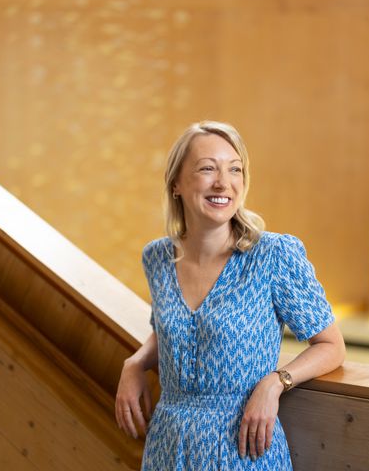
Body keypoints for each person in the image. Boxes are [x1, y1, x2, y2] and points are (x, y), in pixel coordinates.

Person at [115, 120, 346, 470]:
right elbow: (173, 330)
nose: (223, 182)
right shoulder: (157, 258)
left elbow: (331, 345)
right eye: (207, 168)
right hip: (168, 446)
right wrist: (136, 362)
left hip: (242, 449)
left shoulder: (273, 255)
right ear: (176, 183)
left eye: (234, 169)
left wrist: (275, 383)